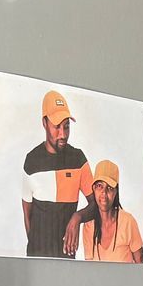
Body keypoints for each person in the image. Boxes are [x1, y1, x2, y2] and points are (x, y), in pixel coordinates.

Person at [20, 89, 94, 259]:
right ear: (44, 123)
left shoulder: (78, 159)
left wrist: (77, 217)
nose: (63, 134)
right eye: (57, 127)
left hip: (66, 259)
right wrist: (35, 247)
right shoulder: (31, 161)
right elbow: (26, 212)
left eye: (66, 126)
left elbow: (96, 204)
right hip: (36, 257)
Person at [72, 160, 143, 264]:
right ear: (93, 189)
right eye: (99, 186)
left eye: (109, 188)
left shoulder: (128, 221)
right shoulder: (89, 226)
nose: (104, 193)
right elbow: (90, 270)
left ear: (116, 192)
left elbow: (140, 264)